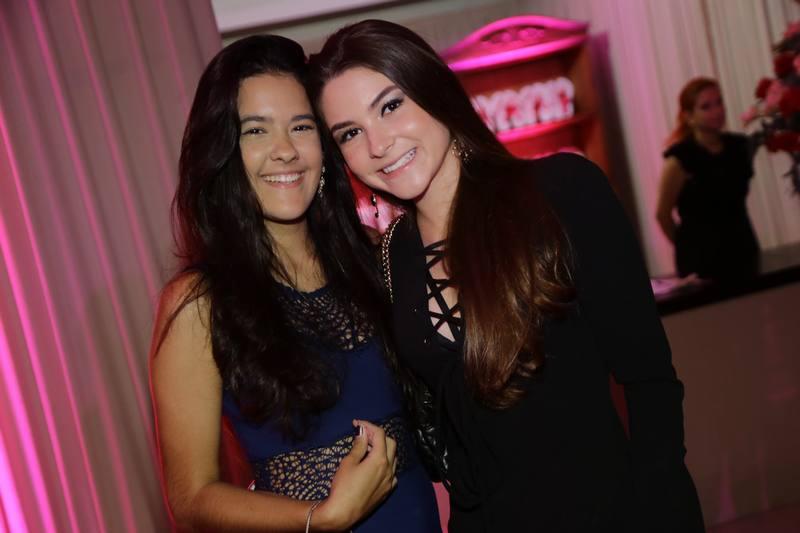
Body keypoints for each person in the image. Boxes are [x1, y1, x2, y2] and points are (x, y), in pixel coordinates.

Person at [307, 19, 705, 532]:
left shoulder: (561, 193)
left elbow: (649, 380)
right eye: (350, 133)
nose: (378, 144)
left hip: (607, 513)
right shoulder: (392, 256)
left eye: (390, 106)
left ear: (433, 89)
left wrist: (661, 505)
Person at [148, 34, 441, 532]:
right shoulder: (199, 303)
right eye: (256, 131)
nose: (284, 151)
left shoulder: (377, 258)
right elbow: (191, 496)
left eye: (301, 126)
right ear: (224, 153)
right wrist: (322, 517)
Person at [656, 77, 759, 281]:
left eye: (719, 102)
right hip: (700, 258)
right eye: (706, 107)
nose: (717, 111)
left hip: (742, 246)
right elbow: (662, 214)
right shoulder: (680, 159)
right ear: (689, 116)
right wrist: (686, 246)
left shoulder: (738, 147)